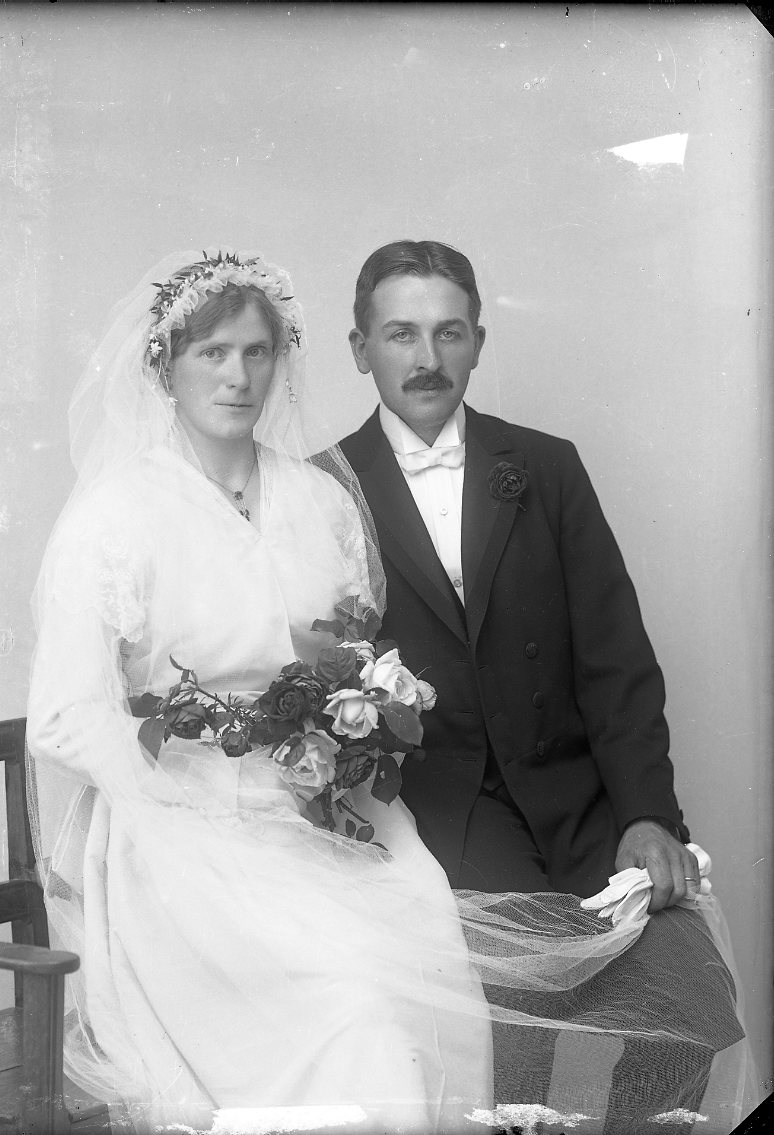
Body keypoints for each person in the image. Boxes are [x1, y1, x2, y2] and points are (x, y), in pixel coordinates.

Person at [26, 247, 749, 1135]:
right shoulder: (123, 513)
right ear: (163, 366)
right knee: (369, 1009)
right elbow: (65, 715)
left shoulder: (322, 498)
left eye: (256, 352)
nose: (238, 376)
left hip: (341, 813)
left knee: (507, 986)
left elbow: (379, 663)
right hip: (190, 833)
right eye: (212, 353)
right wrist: (204, 791)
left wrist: (339, 739)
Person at [339, 239, 755, 1127]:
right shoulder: (325, 489)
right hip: (442, 817)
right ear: (360, 348)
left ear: (479, 343)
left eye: (450, 332)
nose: (427, 358)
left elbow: (617, 660)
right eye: (401, 333)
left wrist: (647, 814)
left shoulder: (546, 466)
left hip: (576, 801)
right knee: (519, 1020)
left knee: (687, 1001)